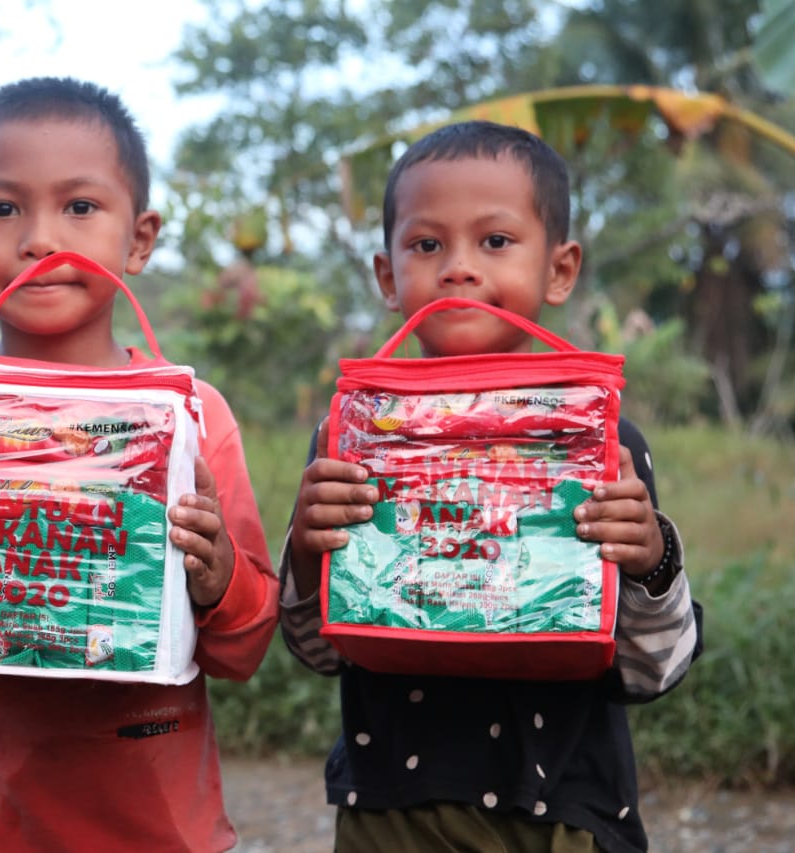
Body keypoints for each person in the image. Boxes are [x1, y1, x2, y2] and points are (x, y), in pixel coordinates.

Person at [0, 77, 278, 852]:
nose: (40, 238)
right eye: (3, 208)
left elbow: (241, 650)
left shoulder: (189, 414)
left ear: (138, 239)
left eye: (79, 207)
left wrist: (216, 578)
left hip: (150, 831)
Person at [279, 120, 703, 853]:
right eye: (426, 245)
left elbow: (650, 669)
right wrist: (308, 547)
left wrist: (652, 558)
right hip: (391, 814)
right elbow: (317, 649)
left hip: (564, 818)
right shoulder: (353, 438)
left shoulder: (603, 445)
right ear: (387, 276)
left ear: (561, 269)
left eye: (496, 241)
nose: (459, 268)